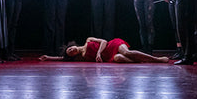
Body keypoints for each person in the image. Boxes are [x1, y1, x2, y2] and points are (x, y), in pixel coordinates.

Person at [39, 37, 169, 63]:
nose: (72, 50)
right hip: (109, 57)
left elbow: (104, 41)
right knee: (119, 58)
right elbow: (62, 58)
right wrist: (49, 57)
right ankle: (140, 60)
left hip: (112, 45)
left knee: (126, 52)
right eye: (70, 52)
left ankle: (156, 59)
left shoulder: (88, 40)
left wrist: (98, 53)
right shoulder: (81, 57)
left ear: (72, 45)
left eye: (70, 49)